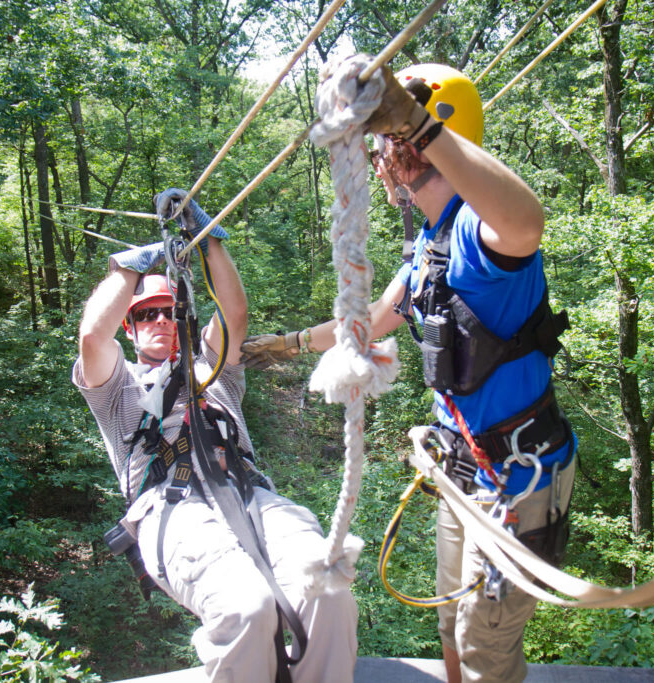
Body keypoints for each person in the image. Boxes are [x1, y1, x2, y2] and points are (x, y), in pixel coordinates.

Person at [241, 63, 576, 683]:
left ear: (416, 142)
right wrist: (280, 347)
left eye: (385, 143)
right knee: (453, 627)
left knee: (485, 652)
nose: (376, 159)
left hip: (517, 480)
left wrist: (421, 127)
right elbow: (369, 318)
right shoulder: (433, 243)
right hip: (466, 473)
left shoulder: (480, 231)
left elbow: (527, 223)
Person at [73, 188, 357, 682]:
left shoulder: (213, 372)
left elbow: (236, 316)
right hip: (172, 507)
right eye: (146, 313)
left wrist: (209, 241)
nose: (160, 320)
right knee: (245, 606)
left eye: (168, 311)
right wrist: (129, 269)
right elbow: (92, 340)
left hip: (248, 493)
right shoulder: (116, 389)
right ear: (130, 325)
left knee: (326, 586)